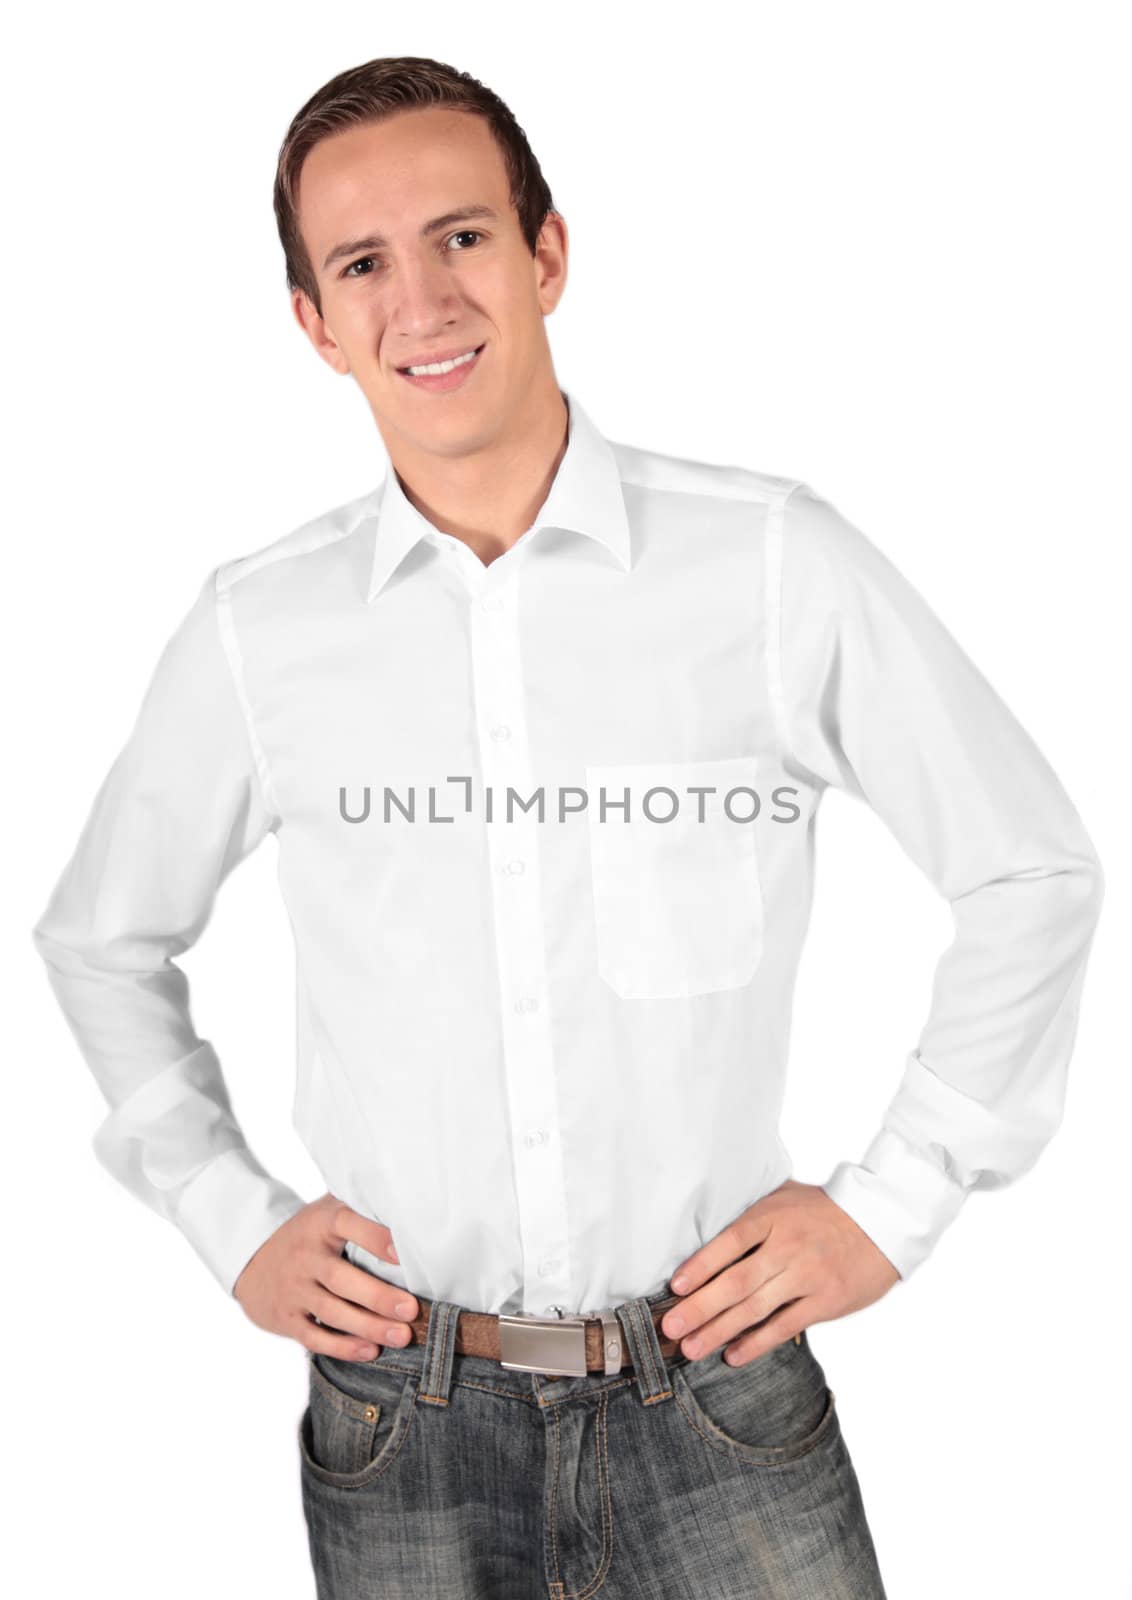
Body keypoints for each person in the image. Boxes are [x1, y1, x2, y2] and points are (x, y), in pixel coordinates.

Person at [31, 53, 1104, 1600]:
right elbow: (99, 939)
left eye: (462, 237)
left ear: (546, 252)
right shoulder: (259, 635)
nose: (423, 301)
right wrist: (227, 1214)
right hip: (405, 1422)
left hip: (717, 1397)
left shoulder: (769, 567)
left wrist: (890, 1206)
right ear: (313, 326)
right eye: (362, 264)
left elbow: (1030, 867)